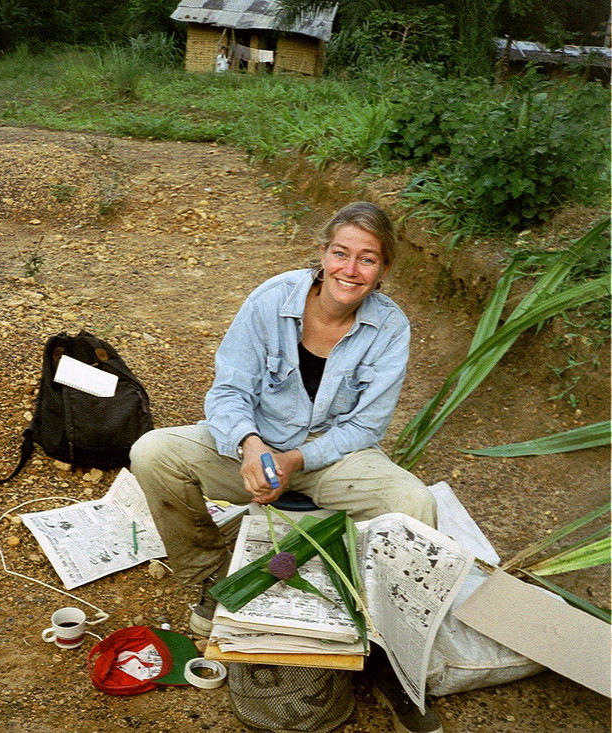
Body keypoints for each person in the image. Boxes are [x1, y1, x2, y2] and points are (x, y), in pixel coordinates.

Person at [130, 201, 442, 733]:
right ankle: (211, 577)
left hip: (333, 458)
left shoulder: (389, 328)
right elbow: (228, 391)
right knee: (153, 452)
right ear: (322, 255)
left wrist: (298, 458)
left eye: (367, 259)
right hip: (254, 451)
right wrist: (251, 446)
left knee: (415, 503)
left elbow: (365, 428)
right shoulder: (272, 299)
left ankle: (394, 658)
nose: (351, 269)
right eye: (341, 253)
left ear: (383, 269)